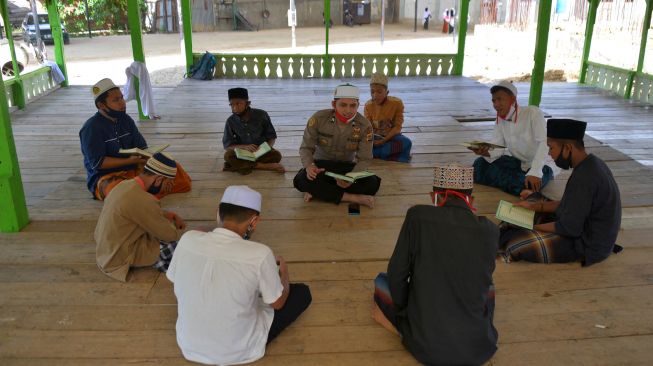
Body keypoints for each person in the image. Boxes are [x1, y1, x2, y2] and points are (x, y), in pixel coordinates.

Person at [167, 185, 312, 365]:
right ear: (254, 221)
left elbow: (174, 277)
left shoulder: (188, 239)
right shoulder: (260, 253)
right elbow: (278, 303)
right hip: (237, 351)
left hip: (189, 345)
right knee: (302, 293)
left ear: (218, 213)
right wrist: (284, 274)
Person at [372, 163, 498, 365]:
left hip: (426, 346)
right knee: (490, 288)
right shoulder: (490, 230)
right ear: (471, 199)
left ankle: (403, 324)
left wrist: (406, 310)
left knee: (382, 282)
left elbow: (397, 273)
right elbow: (482, 277)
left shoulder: (418, 216)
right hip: (477, 346)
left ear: (435, 196)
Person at [500, 119, 622, 266]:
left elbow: (568, 228)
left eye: (551, 148)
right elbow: (569, 204)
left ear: (568, 148)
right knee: (532, 201)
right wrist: (533, 207)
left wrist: (531, 227)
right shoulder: (591, 163)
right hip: (582, 226)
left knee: (514, 243)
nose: (550, 155)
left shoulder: (585, 177)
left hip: (587, 244)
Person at [79, 78, 192, 201]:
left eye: (122, 98)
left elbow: (142, 147)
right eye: (116, 100)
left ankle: (143, 193)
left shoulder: (126, 119)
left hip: (134, 169)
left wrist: (149, 157)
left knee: (175, 170)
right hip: (107, 177)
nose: (122, 103)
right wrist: (130, 161)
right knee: (119, 192)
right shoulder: (91, 128)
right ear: (101, 105)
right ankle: (146, 193)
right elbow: (98, 163)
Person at [95, 152, 186, 282]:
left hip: (105, 252)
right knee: (184, 244)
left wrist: (168, 215)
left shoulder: (125, 185)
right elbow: (170, 235)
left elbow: (139, 210)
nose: (165, 190)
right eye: (167, 185)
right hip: (119, 257)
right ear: (159, 179)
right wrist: (182, 232)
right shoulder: (144, 199)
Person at [293, 83, 381, 208]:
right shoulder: (319, 119)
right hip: (321, 167)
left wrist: (350, 177)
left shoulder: (364, 126)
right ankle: (352, 197)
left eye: (353, 105)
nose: (348, 110)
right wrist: (309, 166)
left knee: (372, 182)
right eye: (343, 105)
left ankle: (318, 191)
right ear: (334, 104)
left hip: (346, 168)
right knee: (300, 179)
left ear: (358, 105)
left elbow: (364, 158)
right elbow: (306, 148)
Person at [470, 80, 557, 197]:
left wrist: (535, 172)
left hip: (542, 165)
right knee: (479, 164)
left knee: (528, 183)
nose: (496, 104)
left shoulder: (532, 112)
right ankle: (516, 186)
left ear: (513, 99)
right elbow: (497, 149)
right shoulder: (500, 120)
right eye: (493, 100)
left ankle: (521, 187)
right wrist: (486, 152)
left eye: (500, 99)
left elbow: (544, 142)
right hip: (519, 162)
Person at [222, 87, 285, 174]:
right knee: (228, 156)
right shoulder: (230, 121)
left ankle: (245, 165)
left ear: (247, 103)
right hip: (243, 153)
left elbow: (271, 137)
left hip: (260, 151)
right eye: (232, 105)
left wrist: (266, 148)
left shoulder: (262, 115)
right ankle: (263, 166)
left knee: (276, 155)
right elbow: (228, 145)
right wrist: (243, 147)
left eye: (238, 103)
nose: (235, 108)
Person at [364, 73, 412, 162]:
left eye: (379, 92)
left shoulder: (397, 103)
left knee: (407, 142)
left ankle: (378, 154)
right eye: (372, 92)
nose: (375, 95)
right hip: (375, 137)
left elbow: (397, 127)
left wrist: (384, 140)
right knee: (360, 144)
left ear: (387, 92)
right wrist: (371, 141)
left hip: (391, 136)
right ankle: (389, 154)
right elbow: (368, 127)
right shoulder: (368, 105)